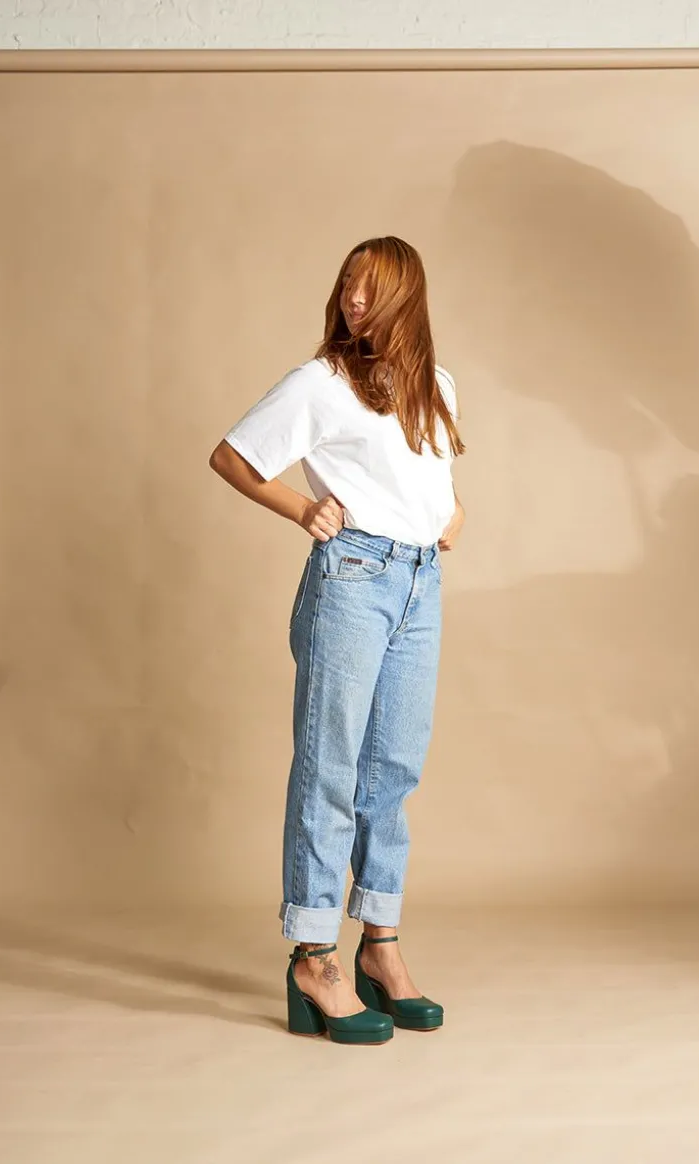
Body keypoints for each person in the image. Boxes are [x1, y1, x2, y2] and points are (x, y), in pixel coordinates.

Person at [209, 236, 465, 1045]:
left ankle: (380, 946)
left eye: (371, 286)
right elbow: (232, 456)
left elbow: (430, 482)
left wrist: (449, 517)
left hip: (420, 582)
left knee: (393, 768)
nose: (354, 298)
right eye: (348, 283)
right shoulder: (321, 382)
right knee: (331, 765)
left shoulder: (437, 388)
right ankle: (314, 957)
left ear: (405, 296)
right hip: (352, 580)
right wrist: (301, 509)